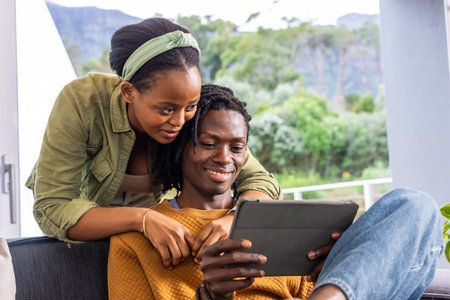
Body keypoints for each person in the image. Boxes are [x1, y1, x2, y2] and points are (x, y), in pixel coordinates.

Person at [25, 18, 281, 268]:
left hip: (157, 249)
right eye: (166, 109)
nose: (180, 121)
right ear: (128, 92)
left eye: (190, 106)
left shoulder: (194, 111)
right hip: (85, 246)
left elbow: (260, 181)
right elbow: (53, 207)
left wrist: (235, 219)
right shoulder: (83, 102)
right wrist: (142, 218)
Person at [108, 83, 315, 299]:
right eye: (208, 144)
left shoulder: (282, 225)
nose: (225, 158)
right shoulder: (133, 242)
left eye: (236, 148)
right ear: (179, 148)